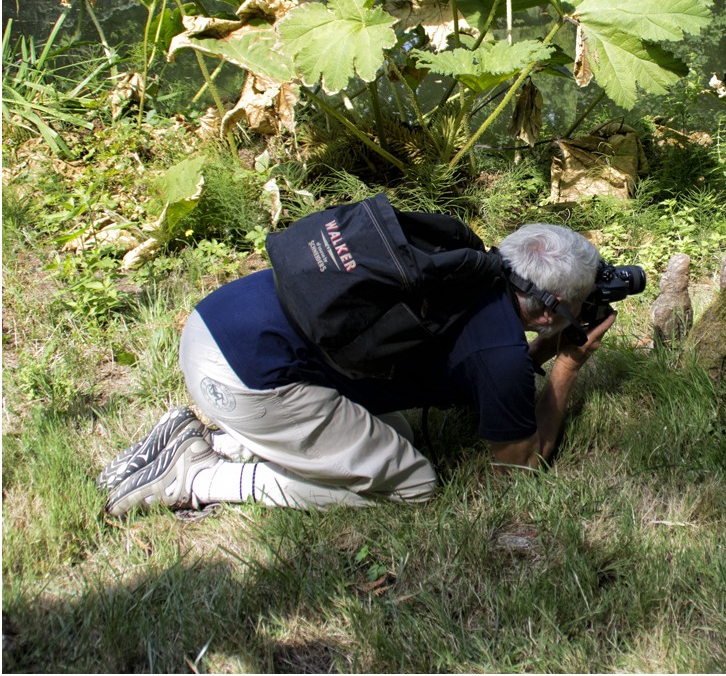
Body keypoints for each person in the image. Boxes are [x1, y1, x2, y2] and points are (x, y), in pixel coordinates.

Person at [98, 222, 615, 517]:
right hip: (245, 378)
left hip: (216, 322)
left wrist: (546, 351)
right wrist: (567, 365)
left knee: (395, 434)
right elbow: (518, 468)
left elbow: (482, 369)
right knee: (413, 484)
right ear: (549, 313)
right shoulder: (499, 351)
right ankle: (202, 476)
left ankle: (217, 440)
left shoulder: (460, 262)